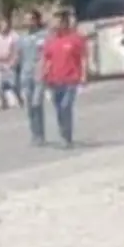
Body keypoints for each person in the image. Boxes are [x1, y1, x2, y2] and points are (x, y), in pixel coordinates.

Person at [40, 10, 88, 148]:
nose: (55, 25)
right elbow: (47, 59)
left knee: (66, 106)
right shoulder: (51, 41)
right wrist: (44, 74)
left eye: (58, 22)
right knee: (59, 109)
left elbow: (83, 58)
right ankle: (64, 134)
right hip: (54, 80)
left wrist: (84, 75)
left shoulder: (75, 39)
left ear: (65, 23)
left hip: (71, 79)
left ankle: (67, 137)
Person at [15, 9, 49, 146]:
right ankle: (34, 134)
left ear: (36, 20)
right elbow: (19, 56)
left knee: (37, 103)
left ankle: (40, 134)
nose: (28, 22)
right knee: (29, 105)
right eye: (26, 19)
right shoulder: (22, 38)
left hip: (39, 73)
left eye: (30, 19)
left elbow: (48, 54)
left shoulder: (44, 36)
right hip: (26, 73)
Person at [0, 19, 20, 110]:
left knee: (13, 85)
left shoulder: (14, 37)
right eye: (1, 26)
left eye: (5, 26)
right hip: (0, 65)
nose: (3, 28)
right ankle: (4, 103)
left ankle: (19, 99)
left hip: (10, 65)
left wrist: (14, 62)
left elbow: (17, 51)